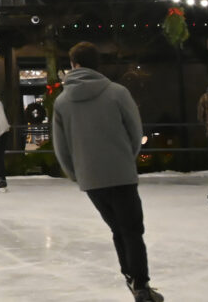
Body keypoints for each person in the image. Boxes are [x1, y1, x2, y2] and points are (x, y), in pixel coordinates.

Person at [52, 42, 162, 302]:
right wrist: (127, 157)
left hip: (91, 178)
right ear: (97, 64)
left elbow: (61, 146)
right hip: (121, 172)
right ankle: (141, 286)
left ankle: (131, 279)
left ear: (73, 65)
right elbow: (136, 132)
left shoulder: (62, 101)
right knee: (132, 230)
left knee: (117, 228)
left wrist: (76, 173)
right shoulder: (117, 92)